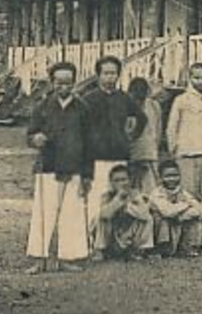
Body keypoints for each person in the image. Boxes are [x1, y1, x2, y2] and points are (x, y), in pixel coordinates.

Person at [25, 61, 91, 273]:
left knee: (71, 214)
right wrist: (36, 138)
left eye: (68, 83)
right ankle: (39, 258)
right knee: (43, 214)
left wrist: (88, 174)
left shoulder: (82, 108)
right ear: (52, 82)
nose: (64, 87)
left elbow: (90, 144)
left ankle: (67, 257)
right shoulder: (42, 106)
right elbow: (30, 134)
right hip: (48, 166)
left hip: (74, 167)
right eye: (59, 82)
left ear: (74, 83)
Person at [82, 56, 140, 249]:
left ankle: (117, 242)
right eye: (106, 73)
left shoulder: (124, 98)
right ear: (98, 75)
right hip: (96, 157)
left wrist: (130, 133)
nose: (110, 77)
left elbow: (139, 118)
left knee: (120, 198)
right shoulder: (89, 99)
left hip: (119, 155)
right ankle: (92, 240)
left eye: (113, 73)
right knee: (97, 198)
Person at [166, 62, 202, 200]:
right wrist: (172, 148)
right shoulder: (181, 100)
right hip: (186, 150)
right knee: (187, 192)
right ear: (190, 79)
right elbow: (172, 126)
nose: (201, 81)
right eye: (196, 78)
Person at [148, 158, 202, 257]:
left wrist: (181, 216)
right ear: (160, 178)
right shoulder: (156, 193)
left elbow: (199, 209)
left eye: (175, 175)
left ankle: (187, 247)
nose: (172, 179)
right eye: (168, 176)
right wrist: (186, 205)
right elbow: (167, 212)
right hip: (161, 230)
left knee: (193, 218)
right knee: (162, 219)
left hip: (177, 223)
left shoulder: (183, 192)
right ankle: (161, 249)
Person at [95, 163, 152, 260]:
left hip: (129, 235)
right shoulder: (107, 196)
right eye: (117, 180)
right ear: (111, 183)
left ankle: (138, 250)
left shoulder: (136, 194)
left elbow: (145, 215)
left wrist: (128, 207)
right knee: (100, 216)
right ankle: (100, 251)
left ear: (129, 180)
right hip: (113, 237)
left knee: (147, 219)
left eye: (124, 179)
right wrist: (118, 199)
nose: (121, 183)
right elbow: (105, 215)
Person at [125, 77, 162, 194]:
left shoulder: (154, 106)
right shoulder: (124, 105)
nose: (139, 100)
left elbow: (158, 129)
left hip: (149, 153)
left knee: (150, 189)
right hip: (130, 154)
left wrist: (154, 147)